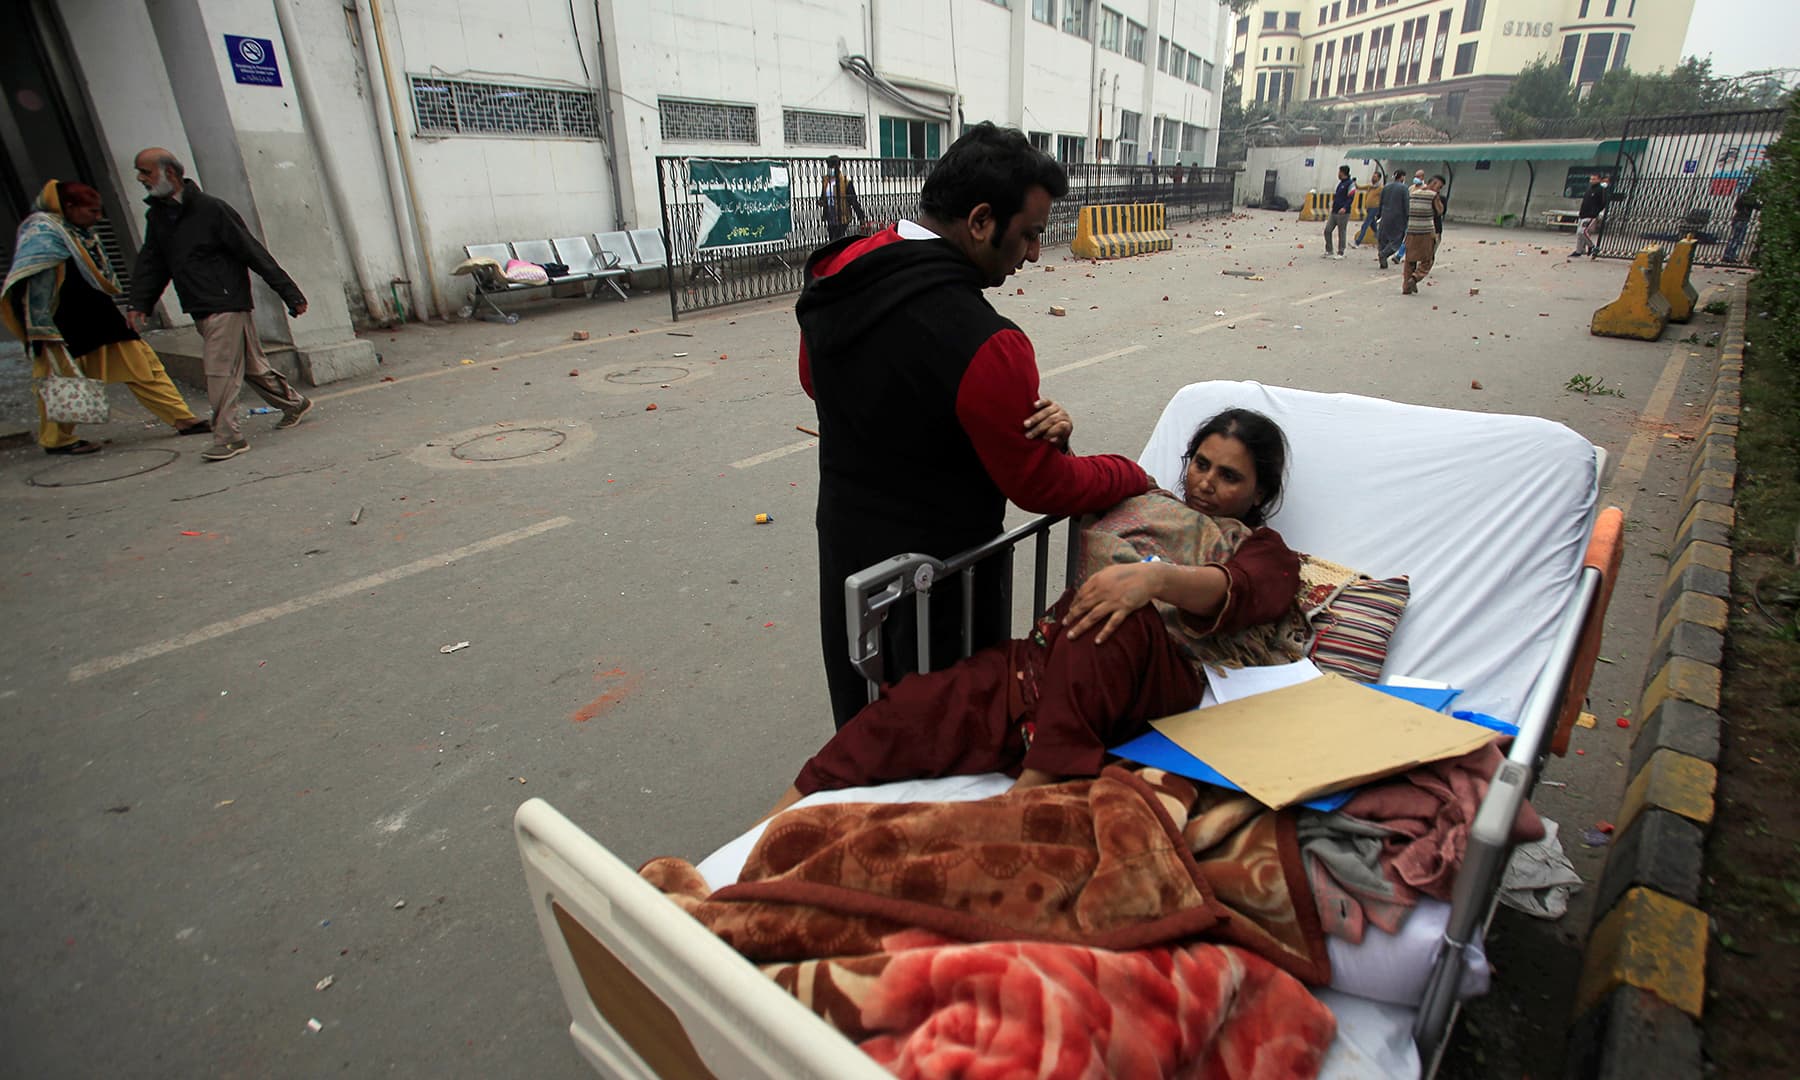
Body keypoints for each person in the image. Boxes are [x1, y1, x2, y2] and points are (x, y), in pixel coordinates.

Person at [761, 408, 1306, 818]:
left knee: (1105, 611)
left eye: (1229, 476)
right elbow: (1072, 486)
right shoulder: (1145, 497)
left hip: (1145, 669)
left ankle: (1026, 798)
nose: (1206, 483)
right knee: (908, 711)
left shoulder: (1261, 548)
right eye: (1202, 465)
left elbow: (1246, 588)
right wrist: (1057, 445)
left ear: (1262, 490)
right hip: (1053, 661)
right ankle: (760, 834)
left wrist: (1152, 581)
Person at [796, 122, 1153, 729]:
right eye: (1030, 235)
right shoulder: (987, 345)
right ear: (982, 220)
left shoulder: (843, 273)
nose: (1035, 254)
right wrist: (1128, 473)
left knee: (863, 727)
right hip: (939, 591)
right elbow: (1041, 485)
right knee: (945, 742)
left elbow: (814, 379)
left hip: (850, 562)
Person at [127, 148, 314, 462]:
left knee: (220, 370)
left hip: (225, 301)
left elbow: (252, 252)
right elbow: (152, 263)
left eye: (145, 172)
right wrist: (139, 302)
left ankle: (229, 437)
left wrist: (289, 294)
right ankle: (293, 403)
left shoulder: (211, 210)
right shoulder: (159, 216)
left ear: (169, 173)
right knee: (253, 367)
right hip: (200, 304)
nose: (140, 179)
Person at [2, 180, 208, 455]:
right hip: (60, 322)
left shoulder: (75, 231)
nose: (97, 219)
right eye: (91, 212)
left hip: (98, 314)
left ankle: (183, 419)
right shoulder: (41, 232)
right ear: (70, 207)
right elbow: (29, 286)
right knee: (60, 383)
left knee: (143, 365)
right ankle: (57, 440)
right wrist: (42, 330)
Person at [1402, 173, 1444, 296]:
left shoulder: (1413, 193)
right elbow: (1440, 211)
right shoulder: (1433, 196)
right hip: (1426, 232)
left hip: (1411, 231)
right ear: (1434, 183)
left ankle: (1406, 287)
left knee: (1410, 260)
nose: (1439, 189)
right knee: (1428, 259)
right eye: (1439, 186)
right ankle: (1415, 278)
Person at [818, 155, 868, 242]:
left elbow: (853, 201)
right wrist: (821, 202)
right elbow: (823, 196)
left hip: (842, 216)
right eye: (829, 166)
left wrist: (861, 217)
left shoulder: (846, 182)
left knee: (837, 239)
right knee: (832, 239)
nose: (830, 169)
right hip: (830, 216)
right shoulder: (826, 181)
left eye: (832, 166)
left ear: (838, 166)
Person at [1375, 169, 1410, 270]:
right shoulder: (1404, 188)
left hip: (1385, 216)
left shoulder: (1386, 187)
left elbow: (1380, 202)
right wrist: (1408, 216)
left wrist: (1379, 215)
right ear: (1402, 177)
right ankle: (1384, 254)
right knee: (1396, 240)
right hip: (1398, 218)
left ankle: (1382, 258)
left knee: (1383, 239)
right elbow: (1406, 204)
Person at [1722, 175, 1760, 264]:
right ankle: (1729, 256)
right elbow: (1756, 206)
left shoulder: (1744, 194)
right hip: (1742, 219)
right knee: (1737, 238)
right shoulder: (1750, 196)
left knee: (1735, 238)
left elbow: (1736, 205)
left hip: (1738, 217)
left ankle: (1729, 255)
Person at [1570, 175, 1608, 259]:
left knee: (1582, 232)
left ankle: (1592, 246)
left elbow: (1603, 202)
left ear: (1599, 180)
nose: (1592, 181)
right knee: (1579, 234)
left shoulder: (1600, 190)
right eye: (1591, 179)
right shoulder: (1589, 188)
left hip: (1591, 215)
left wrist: (1596, 211)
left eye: (1594, 179)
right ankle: (1578, 251)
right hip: (1583, 213)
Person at [1324, 165, 1353, 259]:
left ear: (1343, 173)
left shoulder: (1350, 184)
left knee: (1341, 231)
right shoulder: (1340, 184)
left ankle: (1341, 252)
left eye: (1339, 172)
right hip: (1335, 211)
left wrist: (1345, 207)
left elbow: (1351, 198)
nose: (1338, 174)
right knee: (1327, 230)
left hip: (1343, 212)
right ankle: (1329, 250)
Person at [1353, 166, 1384, 247]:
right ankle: (1380, 238)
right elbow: (1359, 187)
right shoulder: (1370, 187)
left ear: (1379, 178)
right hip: (1369, 209)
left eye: (1375, 177)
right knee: (1373, 225)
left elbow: (1384, 198)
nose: (1373, 178)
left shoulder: (1380, 188)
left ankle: (1357, 242)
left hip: (1375, 208)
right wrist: (1354, 182)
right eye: (1373, 176)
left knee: (1365, 225)